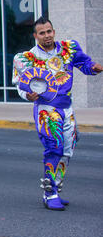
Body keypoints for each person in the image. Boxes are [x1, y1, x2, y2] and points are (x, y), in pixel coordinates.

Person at [12, 17, 102, 211]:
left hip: (67, 108)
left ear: (54, 31)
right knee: (54, 147)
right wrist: (28, 95)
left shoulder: (68, 49)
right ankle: (49, 193)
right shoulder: (26, 58)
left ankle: (56, 187)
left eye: (49, 31)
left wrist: (94, 68)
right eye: (42, 33)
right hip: (46, 109)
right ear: (35, 36)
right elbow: (21, 85)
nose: (47, 36)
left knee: (68, 149)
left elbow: (84, 64)